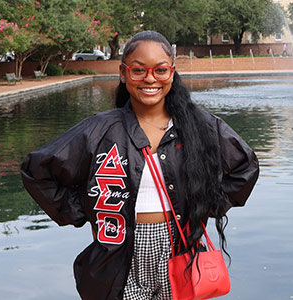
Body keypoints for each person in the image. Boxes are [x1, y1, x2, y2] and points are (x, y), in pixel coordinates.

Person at [21, 31, 259, 300]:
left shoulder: (200, 125)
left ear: (172, 72)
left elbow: (245, 166)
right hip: (120, 252)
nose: (150, 79)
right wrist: (84, 210)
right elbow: (37, 172)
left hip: (180, 247)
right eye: (138, 70)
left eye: (160, 70)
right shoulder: (100, 129)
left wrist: (208, 204)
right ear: (123, 73)